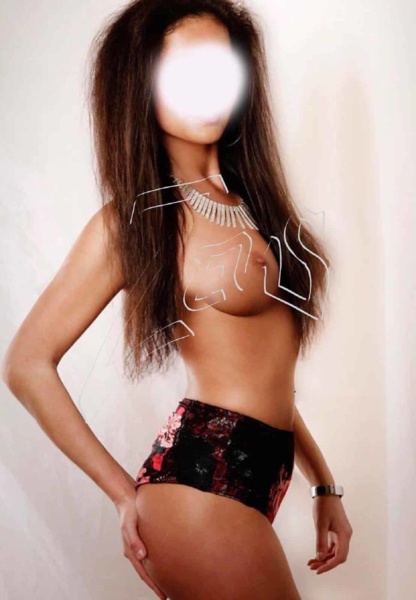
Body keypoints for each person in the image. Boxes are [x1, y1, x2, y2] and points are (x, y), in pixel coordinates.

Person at [2, 1, 353, 599]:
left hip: (263, 482)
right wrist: (123, 494)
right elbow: (26, 364)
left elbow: (262, 376)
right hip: (196, 492)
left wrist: (323, 484)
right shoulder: (135, 223)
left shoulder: (257, 205)